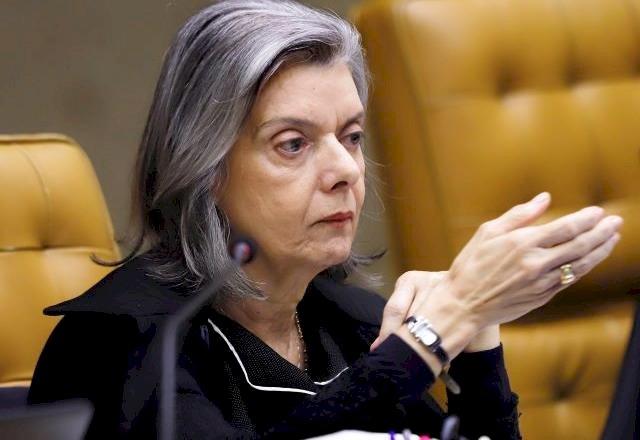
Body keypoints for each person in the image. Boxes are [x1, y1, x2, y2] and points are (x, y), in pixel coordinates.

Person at [27, 1, 623, 439]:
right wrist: (433, 334)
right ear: (204, 167)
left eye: (352, 136)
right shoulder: (122, 343)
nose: (345, 170)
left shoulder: (353, 322)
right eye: (293, 144)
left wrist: (477, 337)